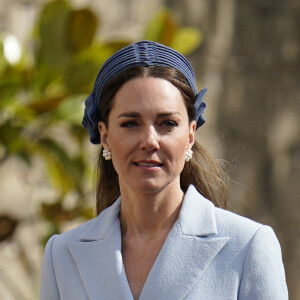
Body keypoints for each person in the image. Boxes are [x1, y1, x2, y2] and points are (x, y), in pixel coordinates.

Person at [39, 41, 288, 300]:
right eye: (131, 123)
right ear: (105, 136)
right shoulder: (62, 256)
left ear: (190, 135)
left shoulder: (248, 247)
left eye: (167, 123)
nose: (150, 141)